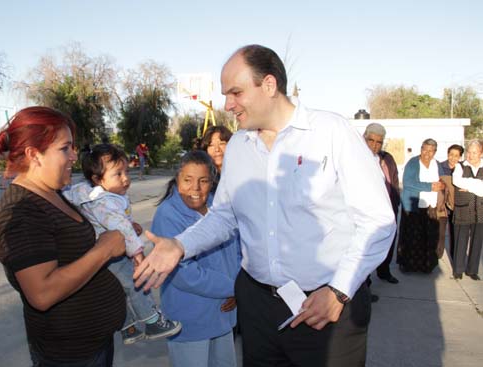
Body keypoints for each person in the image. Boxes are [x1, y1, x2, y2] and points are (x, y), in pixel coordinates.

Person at [134, 44, 396, 366]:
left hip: (326, 308)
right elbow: (224, 216)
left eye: (236, 92)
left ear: (269, 85)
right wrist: (180, 245)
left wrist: (339, 291)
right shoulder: (240, 147)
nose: (227, 105)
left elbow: (378, 221)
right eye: (225, 94)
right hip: (258, 307)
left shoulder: (331, 133)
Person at [0, 106, 127, 367]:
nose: (74, 156)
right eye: (65, 148)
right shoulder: (21, 212)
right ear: (34, 155)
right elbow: (42, 293)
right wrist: (104, 250)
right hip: (68, 356)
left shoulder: (52, 193)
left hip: (92, 345)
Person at [62, 143, 181, 345]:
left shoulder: (97, 194)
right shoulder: (105, 201)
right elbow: (120, 228)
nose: (126, 178)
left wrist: (131, 225)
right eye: (118, 174)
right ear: (98, 179)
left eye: (126, 171)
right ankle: (152, 322)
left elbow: (119, 222)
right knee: (136, 283)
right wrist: (138, 254)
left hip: (105, 252)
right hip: (113, 254)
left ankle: (128, 328)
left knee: (117, 290)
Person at [151, 150, 241, 367]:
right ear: (177, 180)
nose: (195, 188)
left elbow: (239, 250)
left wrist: (239, 286)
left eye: (203, 181)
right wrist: (233, 288)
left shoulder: (221, 209)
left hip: (224, 314)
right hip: (190, 317)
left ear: (212, 181)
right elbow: (183, 273)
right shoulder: (167, 214)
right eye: (188, 180)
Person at [397, 139, 445, 274]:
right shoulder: (413, 163)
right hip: (414, 206)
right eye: (425, 149)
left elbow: (443, 180)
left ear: (435, 152)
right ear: (421, 149)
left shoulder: (437, 164)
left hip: (431, 207)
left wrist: (442, 185)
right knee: (411, 237)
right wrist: (430, 186)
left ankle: (426, 266)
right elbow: (408, 182)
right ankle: (406, 265)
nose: (427, 153)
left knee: (429, 237)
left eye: (431, 151)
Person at [363, 123, 400, 284]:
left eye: (379, 142)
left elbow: (395, 181)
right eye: (371, 140)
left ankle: (384, 271)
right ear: (364, 139)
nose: (375, 145)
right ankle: (365, 283)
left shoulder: (387, 158)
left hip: (387, 208)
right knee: (366, 247)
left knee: (388, 242)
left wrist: (396, 203)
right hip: (366, 211)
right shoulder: (357, 158)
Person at [451, 140, 483, 280]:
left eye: (474, 152)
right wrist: (479, 186)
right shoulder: (460, 166)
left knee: (477, 241)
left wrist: (469, 185)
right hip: (463, 209)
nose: (471, 155)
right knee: (460, 240)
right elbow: (457, 181)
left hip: (481, 211)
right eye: (469, 152)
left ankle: (472, 270)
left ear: (481, 153)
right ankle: (458, 269)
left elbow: (465, 183)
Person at [439, 144, 464, 260]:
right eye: (451, 155)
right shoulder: (440, 167)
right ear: (447, 154)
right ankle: (437, 255)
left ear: (460, 157)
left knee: (455, 233)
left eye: (456, 156)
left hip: (456, 205)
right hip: (442, 205)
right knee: (440, 232)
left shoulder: (463, 169)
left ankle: (455, 257)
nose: (453, 158)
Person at [200, 125, 233, 192]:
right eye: (211, 145)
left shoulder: (242, 172)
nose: (217, 149)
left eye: (222, 143)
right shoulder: (202, 176)